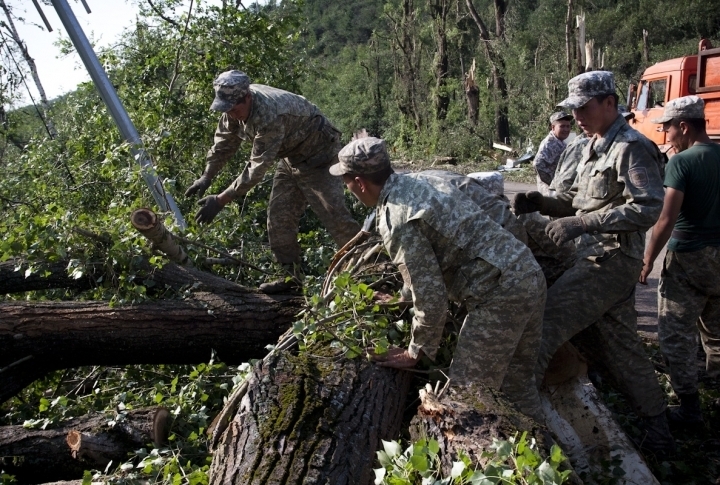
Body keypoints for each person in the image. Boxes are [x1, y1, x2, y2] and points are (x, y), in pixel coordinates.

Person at [512, 71, 675, 457]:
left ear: (609, 103)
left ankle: (524, 433)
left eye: (584, 108)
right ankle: (660, 434)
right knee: (623, 348)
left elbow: (648, 207)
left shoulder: (632, 147)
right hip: (594, 256)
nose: (578, 117)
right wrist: (542, 203)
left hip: (611, 259)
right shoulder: (593, 145)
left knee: (542, 328)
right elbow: (576, 200)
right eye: (574, 110)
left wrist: (584, 223)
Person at [330, 137, 547, 421]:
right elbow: (429, 261)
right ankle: (546, 457)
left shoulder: (397, 218)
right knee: (517, 387)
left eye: (346, 183)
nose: (349, 190)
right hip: (528, 274)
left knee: (466, 401)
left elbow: (431, 296)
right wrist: (403, 298)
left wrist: (415, 350)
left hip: (501, 295)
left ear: (360, 183)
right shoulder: (422, 181)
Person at [185, 70, 361, 293]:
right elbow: (223, 144)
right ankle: (290, 279)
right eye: (226, 108)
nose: (230, 114)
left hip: (320, 156)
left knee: (334, 215)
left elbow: (256, 169)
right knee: (278, 218)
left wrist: (220, 200)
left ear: (247, 97)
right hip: (290, 156)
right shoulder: (232, 106)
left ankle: (373, 266)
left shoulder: (269, 115)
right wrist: (206, 177)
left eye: (234, 108)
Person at [640, 95, 720, 426]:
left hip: (688, 256)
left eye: (668, 129)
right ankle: (716, 399)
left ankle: (689, 409)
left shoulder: (682, 162)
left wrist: (647, 261)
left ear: (683, 126)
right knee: (716, 333)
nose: (666, 136)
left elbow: (666, 218)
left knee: (676, 335)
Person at [533, 111, 573, 195]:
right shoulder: (550, 143)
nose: (566, 129)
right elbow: (538, 164)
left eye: (568, 126)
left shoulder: (559, 142)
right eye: (562, 126)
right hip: (550, 192)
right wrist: (553, 184)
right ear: (553, 127)